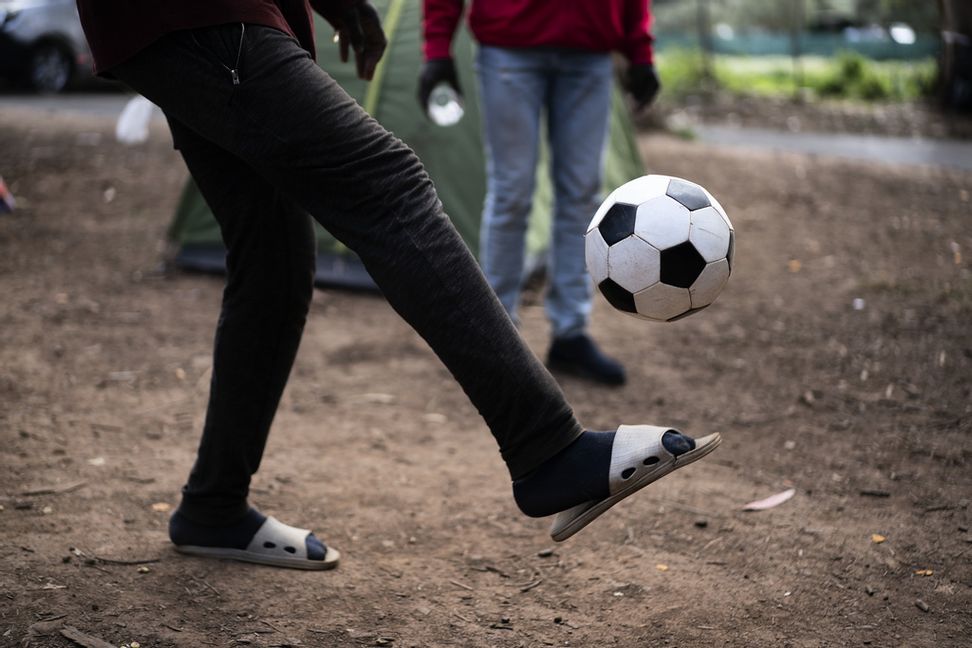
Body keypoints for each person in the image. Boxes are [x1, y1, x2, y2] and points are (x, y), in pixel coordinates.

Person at [74, 0, 718, 570]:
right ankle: (546, 448)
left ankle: (213, 506)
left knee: (273, 264)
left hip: (194, 20)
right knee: (386, 184)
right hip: (196, 15)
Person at [419, 0, 662, 387]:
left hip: (590, 52)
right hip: (508, 48)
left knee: (583, 198)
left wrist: (640, 51)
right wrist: (436, 50)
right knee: (511, 193)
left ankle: (570, 334)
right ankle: (495, 340)